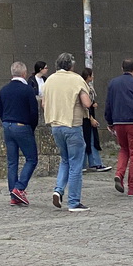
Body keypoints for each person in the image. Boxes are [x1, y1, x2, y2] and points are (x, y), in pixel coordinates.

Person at [42, 52, 92, 212]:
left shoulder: (49, 80)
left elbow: (44, 104)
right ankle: (74, 201)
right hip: (72, 124)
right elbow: (86, 103)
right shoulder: (77, 79)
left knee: (65, 160)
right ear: (71, 65)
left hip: (55, 125)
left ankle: (58, 189)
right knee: (76, 163)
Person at [105, 59, 133, 196]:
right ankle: (132, 187)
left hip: (118, 122)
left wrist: (110, 122)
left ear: (122, 68)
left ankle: (119, 174)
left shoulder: (113, 83)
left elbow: (108, 104)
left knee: (124, 149)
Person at [0, 61, 39, 206]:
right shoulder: (27, 90)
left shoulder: (4, 90)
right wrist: (31, 128)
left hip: (7, 125)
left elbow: (0, 110)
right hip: (22, 125)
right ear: (24, 73)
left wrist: (6, 122)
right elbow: (34, 112)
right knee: (31, 158)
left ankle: (13, 193)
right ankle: (19, 188)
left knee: (12, 162)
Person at [81, 68, 111, 172]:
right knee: (89, 139)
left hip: (88, 116)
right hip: (86, 117)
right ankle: (93, 163)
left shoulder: (88, 87)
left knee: (88, 140)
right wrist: (91, 118)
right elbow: (85, 105)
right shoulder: (84, 88)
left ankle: (88, 163)